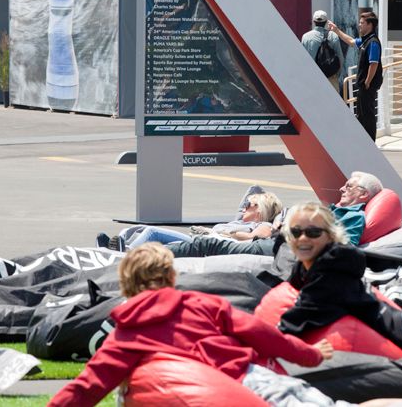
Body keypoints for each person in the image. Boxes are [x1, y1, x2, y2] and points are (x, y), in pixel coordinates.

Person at [48, 243, 341, 407]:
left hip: (221, 394)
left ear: (125, 284)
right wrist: (310, 354)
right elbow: (262, 334)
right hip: (258, 379)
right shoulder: (201, 303)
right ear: (171, 277)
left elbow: (88, 387)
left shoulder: (127, 334)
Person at [279, 202, 402, 355]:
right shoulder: (304, 267)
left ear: (330, 236)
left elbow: (304, 314)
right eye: (295, 232)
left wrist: (271, 337)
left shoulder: (332, 271)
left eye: (313, 232)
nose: (303, 238)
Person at [164, 172, 384, 258]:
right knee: (206, 243)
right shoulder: (336, 210)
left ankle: (149, 258)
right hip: (279, 242)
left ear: (363, 194)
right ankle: (151, 255)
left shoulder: (353, 216)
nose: (342, 189)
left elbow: (345, 247)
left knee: (207, 244)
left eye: (349, 186)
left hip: (280, 248)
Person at [96, 192, 282, 251]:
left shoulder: (262, 225)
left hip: (205, 246)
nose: (243, 207)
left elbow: (254, 239)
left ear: (259, 210)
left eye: (248, 204)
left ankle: (124, 253)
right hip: (199, 241)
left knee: (152, 232)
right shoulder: (239, 221)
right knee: (136, 230)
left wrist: (221, 233)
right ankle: (114, 246)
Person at [328, 11, 383, 140]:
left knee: (368, 115)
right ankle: (363, 141)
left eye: (362, 23)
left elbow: (374, 63)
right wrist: (336, 30)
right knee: (361, 114)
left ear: (370, 25)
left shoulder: (373, 42)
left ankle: (370, 141)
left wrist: (368, 81)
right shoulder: (365, 40)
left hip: (367, 85)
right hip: (363, 84)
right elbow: (351, 41)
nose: (359, 25)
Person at [301, 10, 343, 89]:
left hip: (312, 78)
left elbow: (303, 59)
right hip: (330, 77)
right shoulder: (333, 36)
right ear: (326, 22)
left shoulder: (305, 37)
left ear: (314, 21)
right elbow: (340, 58)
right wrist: (335, 75)